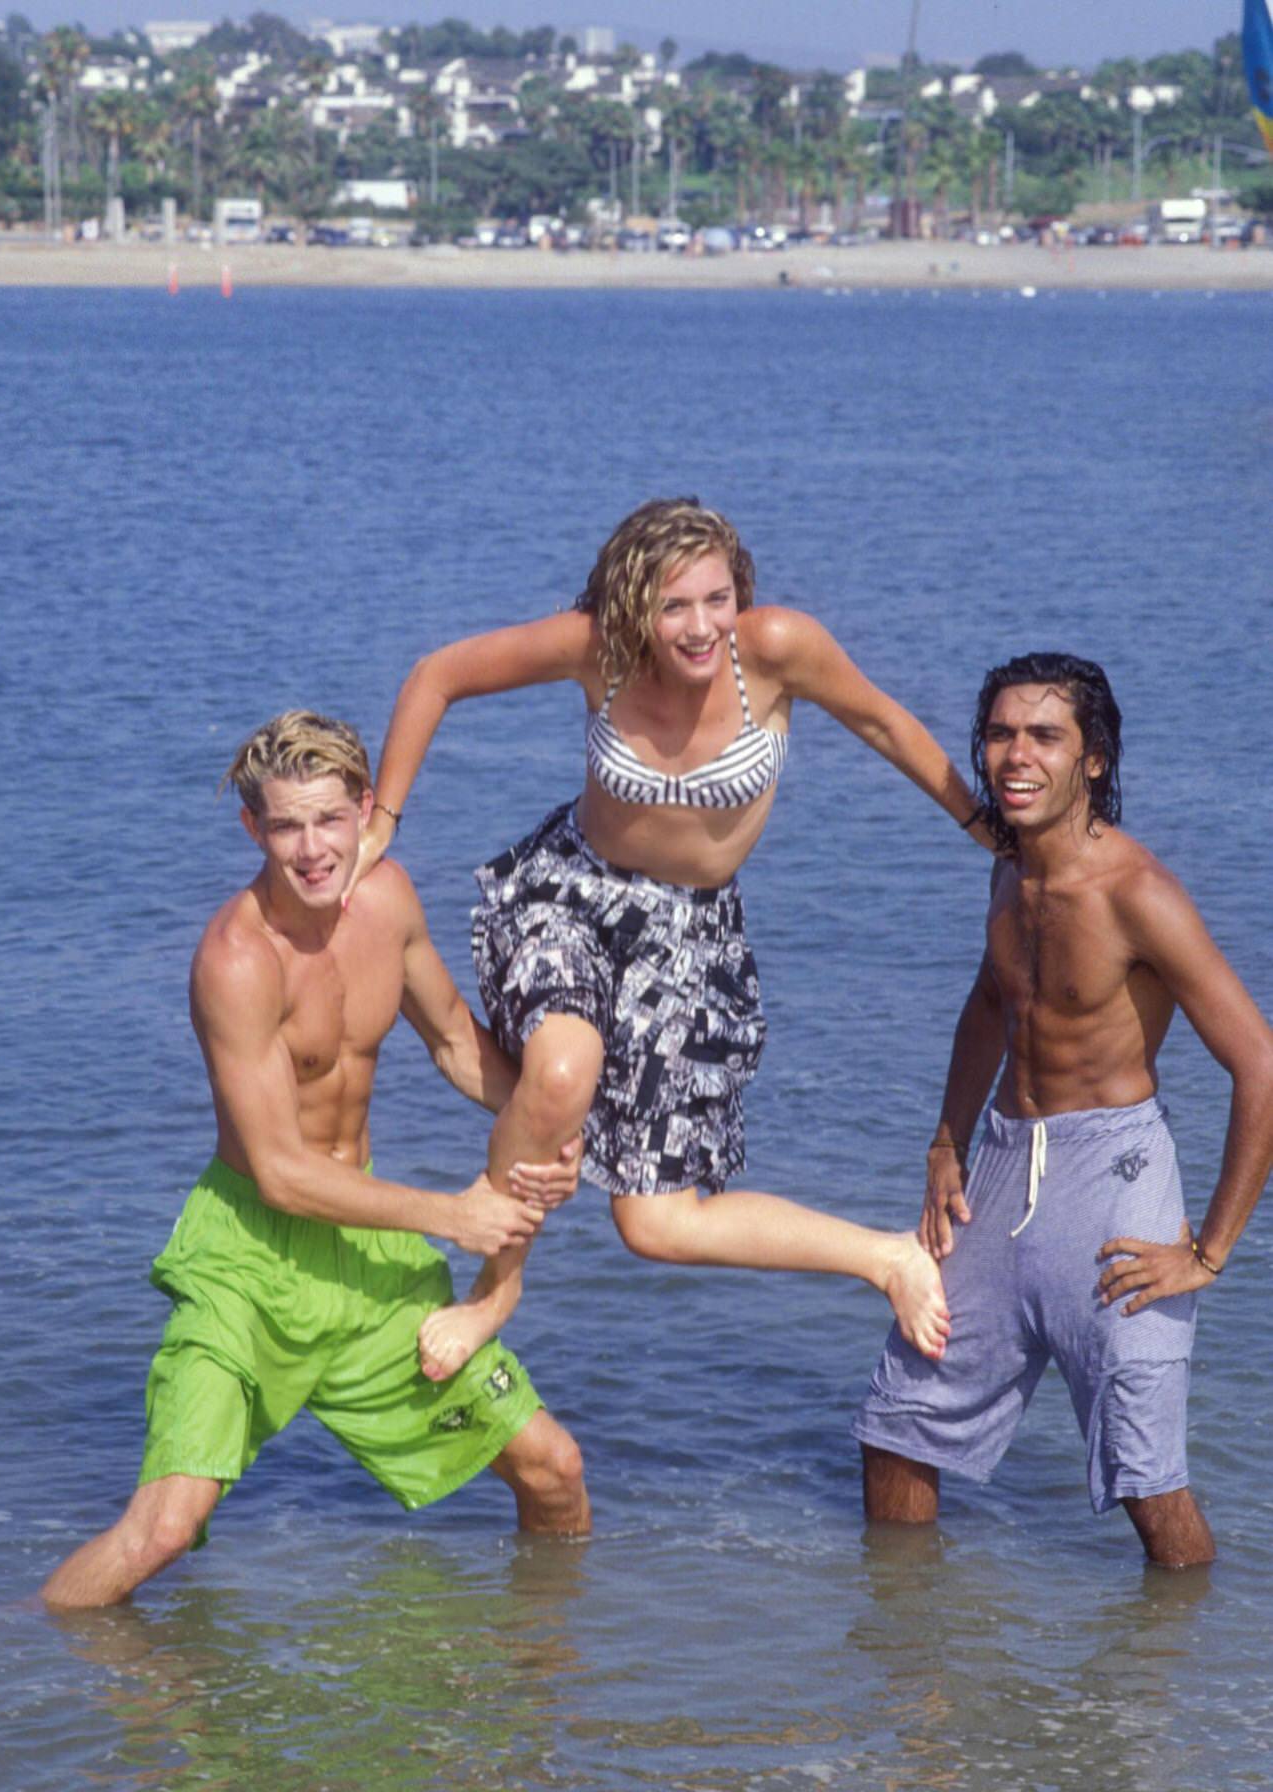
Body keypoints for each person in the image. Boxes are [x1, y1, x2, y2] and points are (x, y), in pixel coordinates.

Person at [350, 497, 993, 1385]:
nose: (699, 627)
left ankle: (886, 1258)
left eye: (716, 599)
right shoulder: (598, 651)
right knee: (562, 1073)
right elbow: (437, 675)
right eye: (673, 605)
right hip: (571, 893)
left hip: (689, 939)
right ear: (633, 606)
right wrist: (383, 817)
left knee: (655, 1225)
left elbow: (884, 723)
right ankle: (498, 1289)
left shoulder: (776, 650)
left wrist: (980, 828)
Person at [41, 711, 589, 1610]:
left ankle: (531, 1713)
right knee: (164, 1530)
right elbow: (280, 1173)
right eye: (286, 825)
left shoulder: (390, 902)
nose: (311, 849)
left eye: (330, 820)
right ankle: (20, 1667)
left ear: (365, 809)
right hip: (250, 1263)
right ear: (253, 828)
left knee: (554, 1472)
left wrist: (552, 1127)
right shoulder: (236, 959)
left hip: (365, 1258)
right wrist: (456, 1216)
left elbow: (456, 1042)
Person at [853, 653, 1273, 1566]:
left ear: (1092, 759)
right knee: (899, 1425)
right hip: (1001, 1164)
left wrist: (1208, 1251)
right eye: (1002, 733)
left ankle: (1163, 1684)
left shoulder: (1138, 894)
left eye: (1045, 735)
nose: (1015, 756)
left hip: (1113, 1179)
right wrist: (946, 1139)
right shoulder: (1010, 871)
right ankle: (908, 1669)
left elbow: (1260, 1065)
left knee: (1145, 1476)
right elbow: (991, 1002)